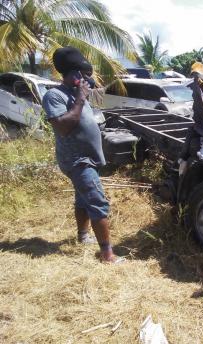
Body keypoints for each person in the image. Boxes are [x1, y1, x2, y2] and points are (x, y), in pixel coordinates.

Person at [42, 46, 122, 263]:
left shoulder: (79, 93)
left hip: (88, 158)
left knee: (82, 199)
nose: (88, 78)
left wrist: (84, 94)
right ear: (73, 73)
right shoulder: (55, 95)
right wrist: (79, 98)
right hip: (77, 160)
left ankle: (82, 236)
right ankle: (107, 254)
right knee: (97, 202)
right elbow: (62, 127)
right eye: (84, 74)